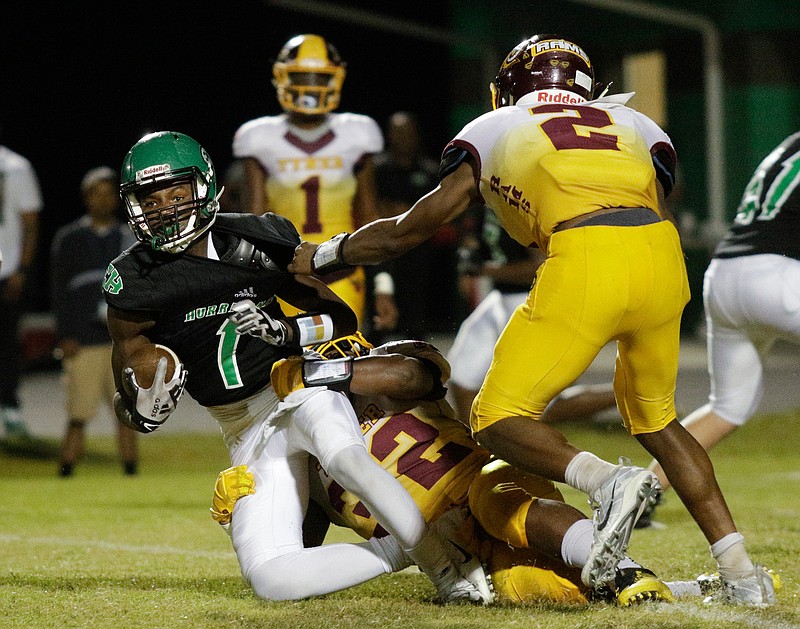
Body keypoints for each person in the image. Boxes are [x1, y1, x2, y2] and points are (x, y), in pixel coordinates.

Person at [289, 35, 776, 606]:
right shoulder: (638, 124)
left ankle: (605, 480)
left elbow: (414, 227)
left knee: (494, 418)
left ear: (511, 89)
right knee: (659, 422)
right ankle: (743, 573)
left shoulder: (497, 126)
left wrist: (328, 254)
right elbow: (663, 193)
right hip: (663, 260)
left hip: (585, 252)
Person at [103, 130, 485, 604]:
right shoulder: (132, 278)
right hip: (243, 430)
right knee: (271, 579)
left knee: (346, 458)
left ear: (203, 187)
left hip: (295, 387)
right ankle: (405, 550)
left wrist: (283, 333)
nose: (166, 207)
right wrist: (141, 406)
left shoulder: (255, 236)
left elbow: (338, 319)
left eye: (177, 192)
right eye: (151, 197)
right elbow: (125, 385)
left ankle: (448, 575)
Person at [214, 333, 763, 606]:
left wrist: (336, 375)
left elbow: (421, 369)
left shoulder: (397, 385)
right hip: (454, 551)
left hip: (487, 480)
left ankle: (612, 558)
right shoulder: (302, 450)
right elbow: (304, 554)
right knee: (527, 588)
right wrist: (252, 499)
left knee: (497, 503)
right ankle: (665, 585)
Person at [645, 131, 800, 524]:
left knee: (730, 405)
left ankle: (638, 495)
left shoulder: (788, 145)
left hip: (726, 275)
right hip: (775, 275)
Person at [232, 33, 388, 328]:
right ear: (281, 77)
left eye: (319, 77)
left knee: (344, 359)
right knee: (284, 361)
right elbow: (253, 220)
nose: (310, 86)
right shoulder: (258, 137)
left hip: (342, 269)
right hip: (283, 274)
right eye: (302, 76)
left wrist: (383, 283)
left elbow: (371, 217)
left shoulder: (358, 132)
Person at [448, 207, 617, 425]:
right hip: (501, 298)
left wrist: (486, 270)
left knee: (538, 407)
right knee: (462, 377)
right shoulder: (490, 201)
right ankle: (475, 452)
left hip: (539, 300)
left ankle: (632, 392)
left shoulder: (526, 204)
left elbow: (541, 265)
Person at [50, 166, 139, 477]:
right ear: (86, 197)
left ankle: (131, 473)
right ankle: (65, 473)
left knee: (127, 412)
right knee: (78, 414)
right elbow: (59, 292)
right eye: (96, 193)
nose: (102, 200)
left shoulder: (129, 236)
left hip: (120, 341)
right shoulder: (69, 238)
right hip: (84, 341)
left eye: (108, 193)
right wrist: (65, 334)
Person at [371, 111, 459, 340]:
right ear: (389, 135)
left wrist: (402, 213)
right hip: (381, 253)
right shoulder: (375, 170)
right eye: (399, 133)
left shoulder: (430, 171)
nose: (405, 138)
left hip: (418, 253)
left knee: (416, 320)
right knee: (377, 317)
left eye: (409, 133)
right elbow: (369, 210)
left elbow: (441, 213)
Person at [0, 133, 42, 439]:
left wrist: (22, 270)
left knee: (6, 345)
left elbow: (30, 223)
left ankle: (10, 408)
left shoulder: (15, 167)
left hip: (6, 272)